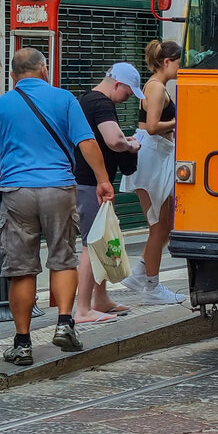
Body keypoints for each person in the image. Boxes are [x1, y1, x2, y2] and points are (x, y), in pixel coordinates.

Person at [0, 48, 114, 366]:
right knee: (63, 259)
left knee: (21, 269)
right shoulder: (64, 99)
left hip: (17, 191)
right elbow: (87, 142)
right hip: (59, 189)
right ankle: (65, 324)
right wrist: (103, 180)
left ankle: (22, 345)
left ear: (13, 76)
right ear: (44, 69)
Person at [73, 64, 144, 323]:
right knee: (91, 244)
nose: (128, 98)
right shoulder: (102, 103)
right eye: (127, 92)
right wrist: (131, 144)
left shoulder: (84, 99)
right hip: (91, 182)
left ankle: (100, 299)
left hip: (87, 180)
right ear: (117, 84)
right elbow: (113, 140)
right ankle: (82, 309)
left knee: (99, 240)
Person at [121, 40, 186, 304]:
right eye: (179, 63)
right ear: (167, 62)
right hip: (153, 156)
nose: (181, 68)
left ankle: (140, 275)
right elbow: (151, 126)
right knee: (159, 226)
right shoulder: (157, 88)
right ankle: (152, 287)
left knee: (164, 224)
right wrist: (180, 119)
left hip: (157, 156)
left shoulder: (156, 86)